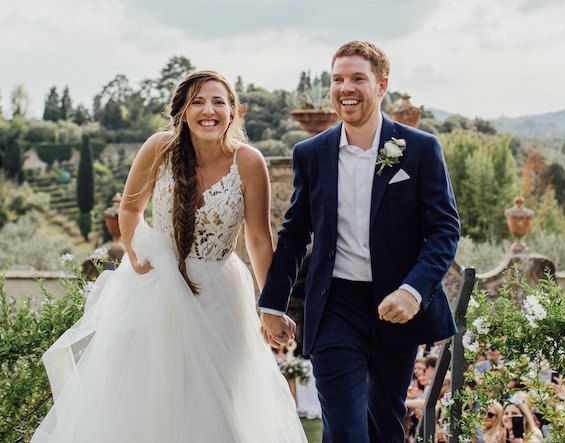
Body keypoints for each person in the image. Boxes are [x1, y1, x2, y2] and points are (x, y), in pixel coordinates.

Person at [32, 71, 306, 442]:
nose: (208, 110)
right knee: (149, 397)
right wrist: (137, 253)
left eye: (218, 102)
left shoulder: (249, 162)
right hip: (157, 290)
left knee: (220, 401)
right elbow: (129, 210)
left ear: (233, 112)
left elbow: (258, 239)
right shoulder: (159, 148)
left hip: (222, 298)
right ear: (182, 111)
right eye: (197, 101)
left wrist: (271, 307)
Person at [259, 41, 461, 442]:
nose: (345, 88)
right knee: (347, 426)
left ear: (382, 84)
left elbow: (444, 229)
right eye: (337, 79)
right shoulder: (311, 153)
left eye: (357, 78)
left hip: (396, 306)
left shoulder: (419, 149)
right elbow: (295, 234)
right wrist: (271, 304)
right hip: (336, 305)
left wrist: (413, 291)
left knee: (384, 423)